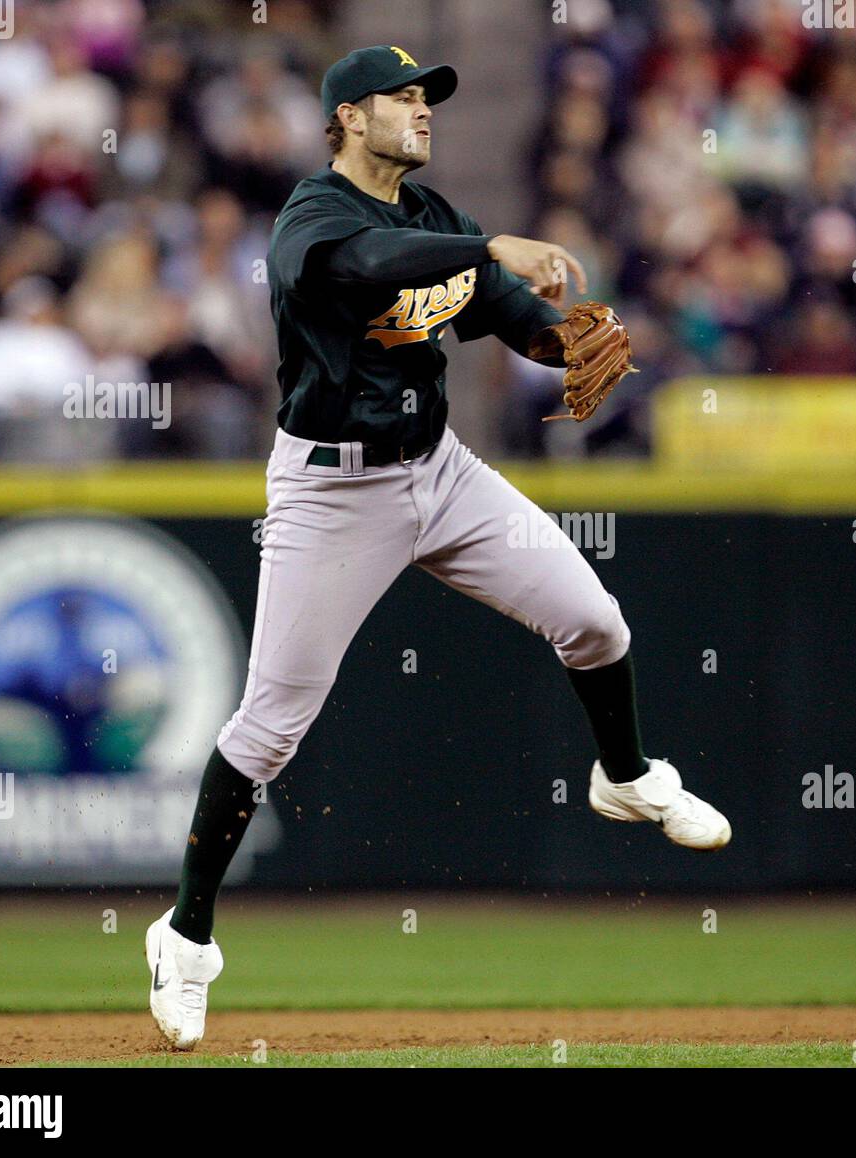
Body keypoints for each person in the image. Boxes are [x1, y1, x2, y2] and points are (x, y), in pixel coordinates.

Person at [144, 46, 731, 1052]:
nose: (420, 113)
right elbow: (370, 268)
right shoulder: (313, 217)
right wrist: (495, 245)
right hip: (334, 490)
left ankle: (625, 776)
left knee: (594, 621)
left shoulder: (439, 221)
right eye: (400, 99)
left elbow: (512, 320)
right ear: (344, 117)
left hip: (442, 471)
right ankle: (184, 938)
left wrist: (566, 338)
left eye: (427, 99)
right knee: (271, 725)